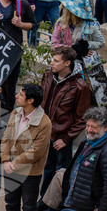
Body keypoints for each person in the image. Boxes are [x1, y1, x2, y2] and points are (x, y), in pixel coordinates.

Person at [0, 84, 51, 211]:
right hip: (10, 168)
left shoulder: (44, 123)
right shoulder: (15, 114)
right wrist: (5, 159)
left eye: (20, 95)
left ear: (30, 101)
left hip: (30, 173)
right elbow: (6, 138)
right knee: (11, 204)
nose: (16, 96)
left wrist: (13, 163)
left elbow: (36, 151)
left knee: (29, 208)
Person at [38, 46, 91, 200]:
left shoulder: (80, 87)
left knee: (61, 172)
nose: (51, 63)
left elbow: (82, 118)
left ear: (67, 63)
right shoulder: (48, 75)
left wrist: (66, 139)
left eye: (56, 60)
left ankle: (56, 203)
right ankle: (44, 199)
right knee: (47, 168)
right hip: (46, 132)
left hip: (62, 137)